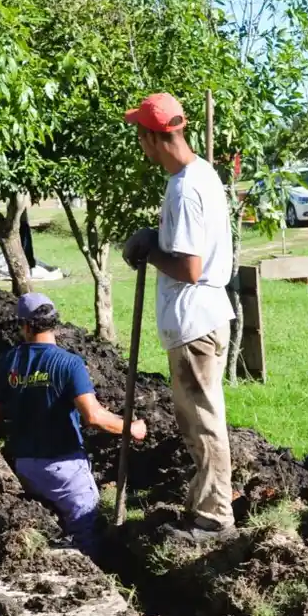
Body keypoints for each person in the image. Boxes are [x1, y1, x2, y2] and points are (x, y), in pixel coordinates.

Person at [121, 92, 236, 543]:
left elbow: (189, 267)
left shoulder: (187, 188)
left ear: (153, 137)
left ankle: (214, 517)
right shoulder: (200, 173)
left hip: (195, 320)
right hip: (202, 317)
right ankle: (203, 502)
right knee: (197, 419)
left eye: (140, 135)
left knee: (203, 421)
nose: (139, 144)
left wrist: (151, 251)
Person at [0, 293, 146, 554]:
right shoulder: (69, 364)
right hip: (64, 468)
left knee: (43, 527)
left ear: (25, 325)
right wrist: (132, 427)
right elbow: (92, 416)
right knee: (87, 532)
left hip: (24, 465)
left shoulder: (7, 362)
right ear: (54, 323)